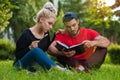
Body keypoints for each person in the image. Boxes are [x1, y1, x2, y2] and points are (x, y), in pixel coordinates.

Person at [13, 2, 65, 72]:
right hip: (19, 65)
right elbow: (17, 56)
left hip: (34, 65)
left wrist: (57, 35)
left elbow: (46, 49)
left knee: (53, 62)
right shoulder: (26, 34)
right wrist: (30, 48)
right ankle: (59, 70)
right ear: (41, 19)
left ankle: (58, 68)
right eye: (49, 23)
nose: (51, 27)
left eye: (52, 24)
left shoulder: (46, 34)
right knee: (36, 51)